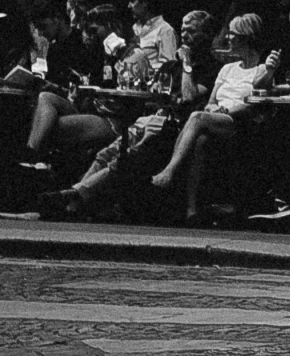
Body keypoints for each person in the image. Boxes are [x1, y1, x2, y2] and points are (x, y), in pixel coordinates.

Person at [46, 12, 219, 222]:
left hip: (174, 125)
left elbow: (189, 96)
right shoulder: (171, 65)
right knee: (107, 153)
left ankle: (75, 195)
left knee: (126, 157)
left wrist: (187, 64)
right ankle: (73, 201)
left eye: (191, 31)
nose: (184, 35)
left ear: (207, 35)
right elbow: (154, 92)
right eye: (182, 30)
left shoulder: (209, 67)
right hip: (151, 117)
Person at [149, 14, 274, 224]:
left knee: (196, 116)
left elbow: (257, 102)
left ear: (247, 37)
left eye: (233, 35)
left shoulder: (262, 70)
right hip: (216, 118)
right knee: (201, 141)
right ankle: (191, 209)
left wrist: (227, 111)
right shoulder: (227, 69)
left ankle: (170, 171)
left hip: (240, 121)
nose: (228, 39)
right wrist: (214, 108)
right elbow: (210, 101)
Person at [16, 0, 105, 172]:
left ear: (57, 18)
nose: (41, 33)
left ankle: (33, 157)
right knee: (33, 102)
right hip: (63, 102)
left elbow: (89, 86)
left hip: (84, 105)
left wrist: (52, 88)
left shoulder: (83, 41)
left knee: (45, 99)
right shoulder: (54, 50)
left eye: (43, 26)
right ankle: (37, 163)